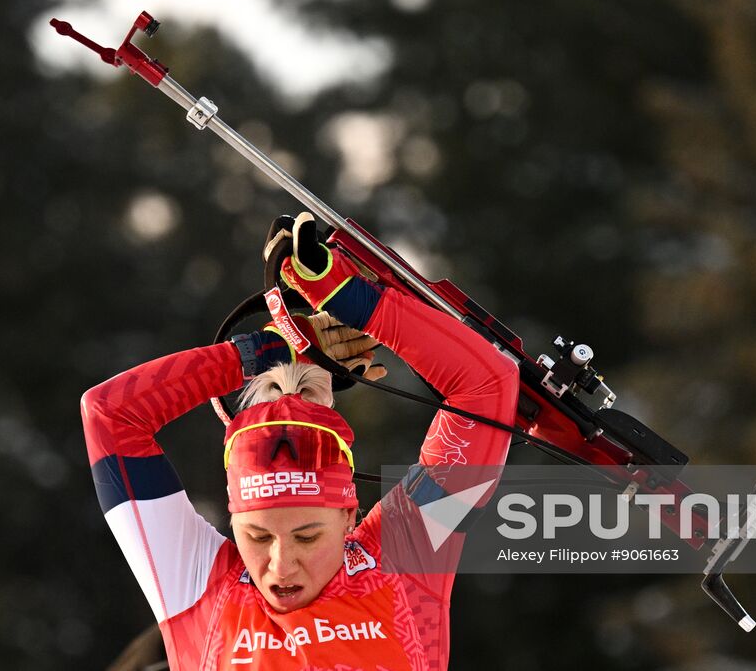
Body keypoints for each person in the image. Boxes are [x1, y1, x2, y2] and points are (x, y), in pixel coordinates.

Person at [82, 212, 518, 669]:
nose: (281, 565)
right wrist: (273, 348)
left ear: (349, 515)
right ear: (232, 521)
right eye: (256, 535)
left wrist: (345, 297)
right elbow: (109, 414)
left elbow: (489, 385)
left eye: (308, 537)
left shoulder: (403, 553)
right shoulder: (195, 581)